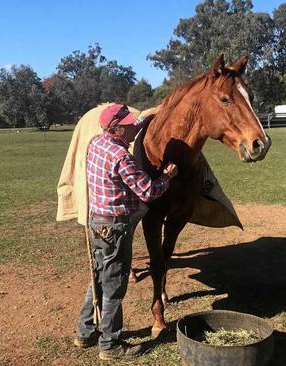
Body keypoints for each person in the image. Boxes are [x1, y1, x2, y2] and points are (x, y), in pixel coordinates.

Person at [74, 104, 178, 361]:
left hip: (97, 223)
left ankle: (85, 332)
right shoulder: (122, 157)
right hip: (116, 228)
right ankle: (110, 344)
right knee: (115, 286)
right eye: (130, 125)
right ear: (117, 129)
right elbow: (149, 192)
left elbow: (136, 124)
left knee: (98, 276)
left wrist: (149, 115)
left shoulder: (96, 143)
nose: (135, 128)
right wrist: (167, 176)